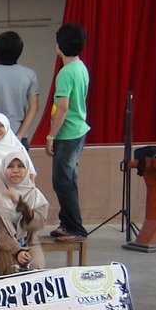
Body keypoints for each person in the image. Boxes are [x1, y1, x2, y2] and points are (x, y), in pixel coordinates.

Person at [46, 23, 90, 243]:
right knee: (68, 179)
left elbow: (62, 108)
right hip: (78, 130)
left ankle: (75, 228)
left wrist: (50, 136)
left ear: (60, 46)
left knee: (62, 181)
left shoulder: (65, 73)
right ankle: (66, 224)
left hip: (68, 133)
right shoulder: (81, 67)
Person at [0, 151, 48, 275]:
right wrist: (17, 250)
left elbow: (36, 226)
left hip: (30, 242)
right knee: (10, 268)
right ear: (3, 169)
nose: (15, 170)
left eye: (20, 166)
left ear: (27, 169)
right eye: (10, 166)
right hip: (5, 246)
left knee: (36, 266)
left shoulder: (35, 195)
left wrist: (21, 204)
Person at [0, 31, 39, 147]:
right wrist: (19, 135)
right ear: (19, 51)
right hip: (19, 136)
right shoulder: (29, 75)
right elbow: (34, 107)